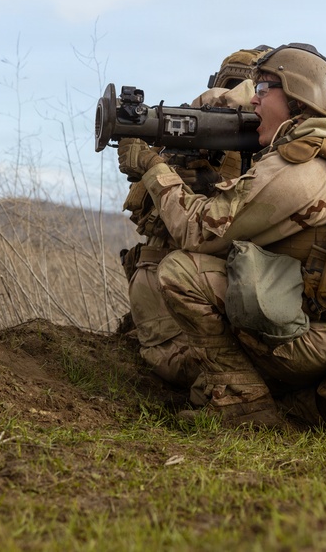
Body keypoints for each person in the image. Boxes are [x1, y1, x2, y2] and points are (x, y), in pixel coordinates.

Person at [117, 43, 326, 431]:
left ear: (297, 98)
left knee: (181, 272)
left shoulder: (296, 168)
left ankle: (242, 402)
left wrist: (152, 166)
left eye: (264, 89)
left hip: (303, 342)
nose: (253, 100)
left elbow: (197, 230)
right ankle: (308, 400)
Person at [120, 47, 273, 405]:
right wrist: (177, 173)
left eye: (260, 92)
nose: (246, 103)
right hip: (176, 318)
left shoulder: (278, 152)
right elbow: (153, 219)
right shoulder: (191, 137)